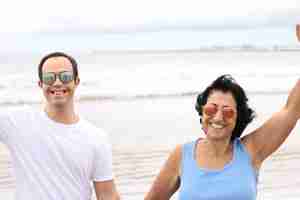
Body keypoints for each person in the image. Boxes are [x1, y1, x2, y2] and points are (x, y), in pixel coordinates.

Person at [145, 74, 300, 200]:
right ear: (202, 111)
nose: (218, 118)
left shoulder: (251, 150)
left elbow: (292, 109)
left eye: (228, 112)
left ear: (237, 118)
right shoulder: (182, 155)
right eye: (212, 109)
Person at [0, 52, 120, 200]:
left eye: (65, 77)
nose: (57, 83)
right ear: (41, 84)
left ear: (76, 81)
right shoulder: (17, 122)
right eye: (49, 78)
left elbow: (107, 195)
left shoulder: (96, 137)